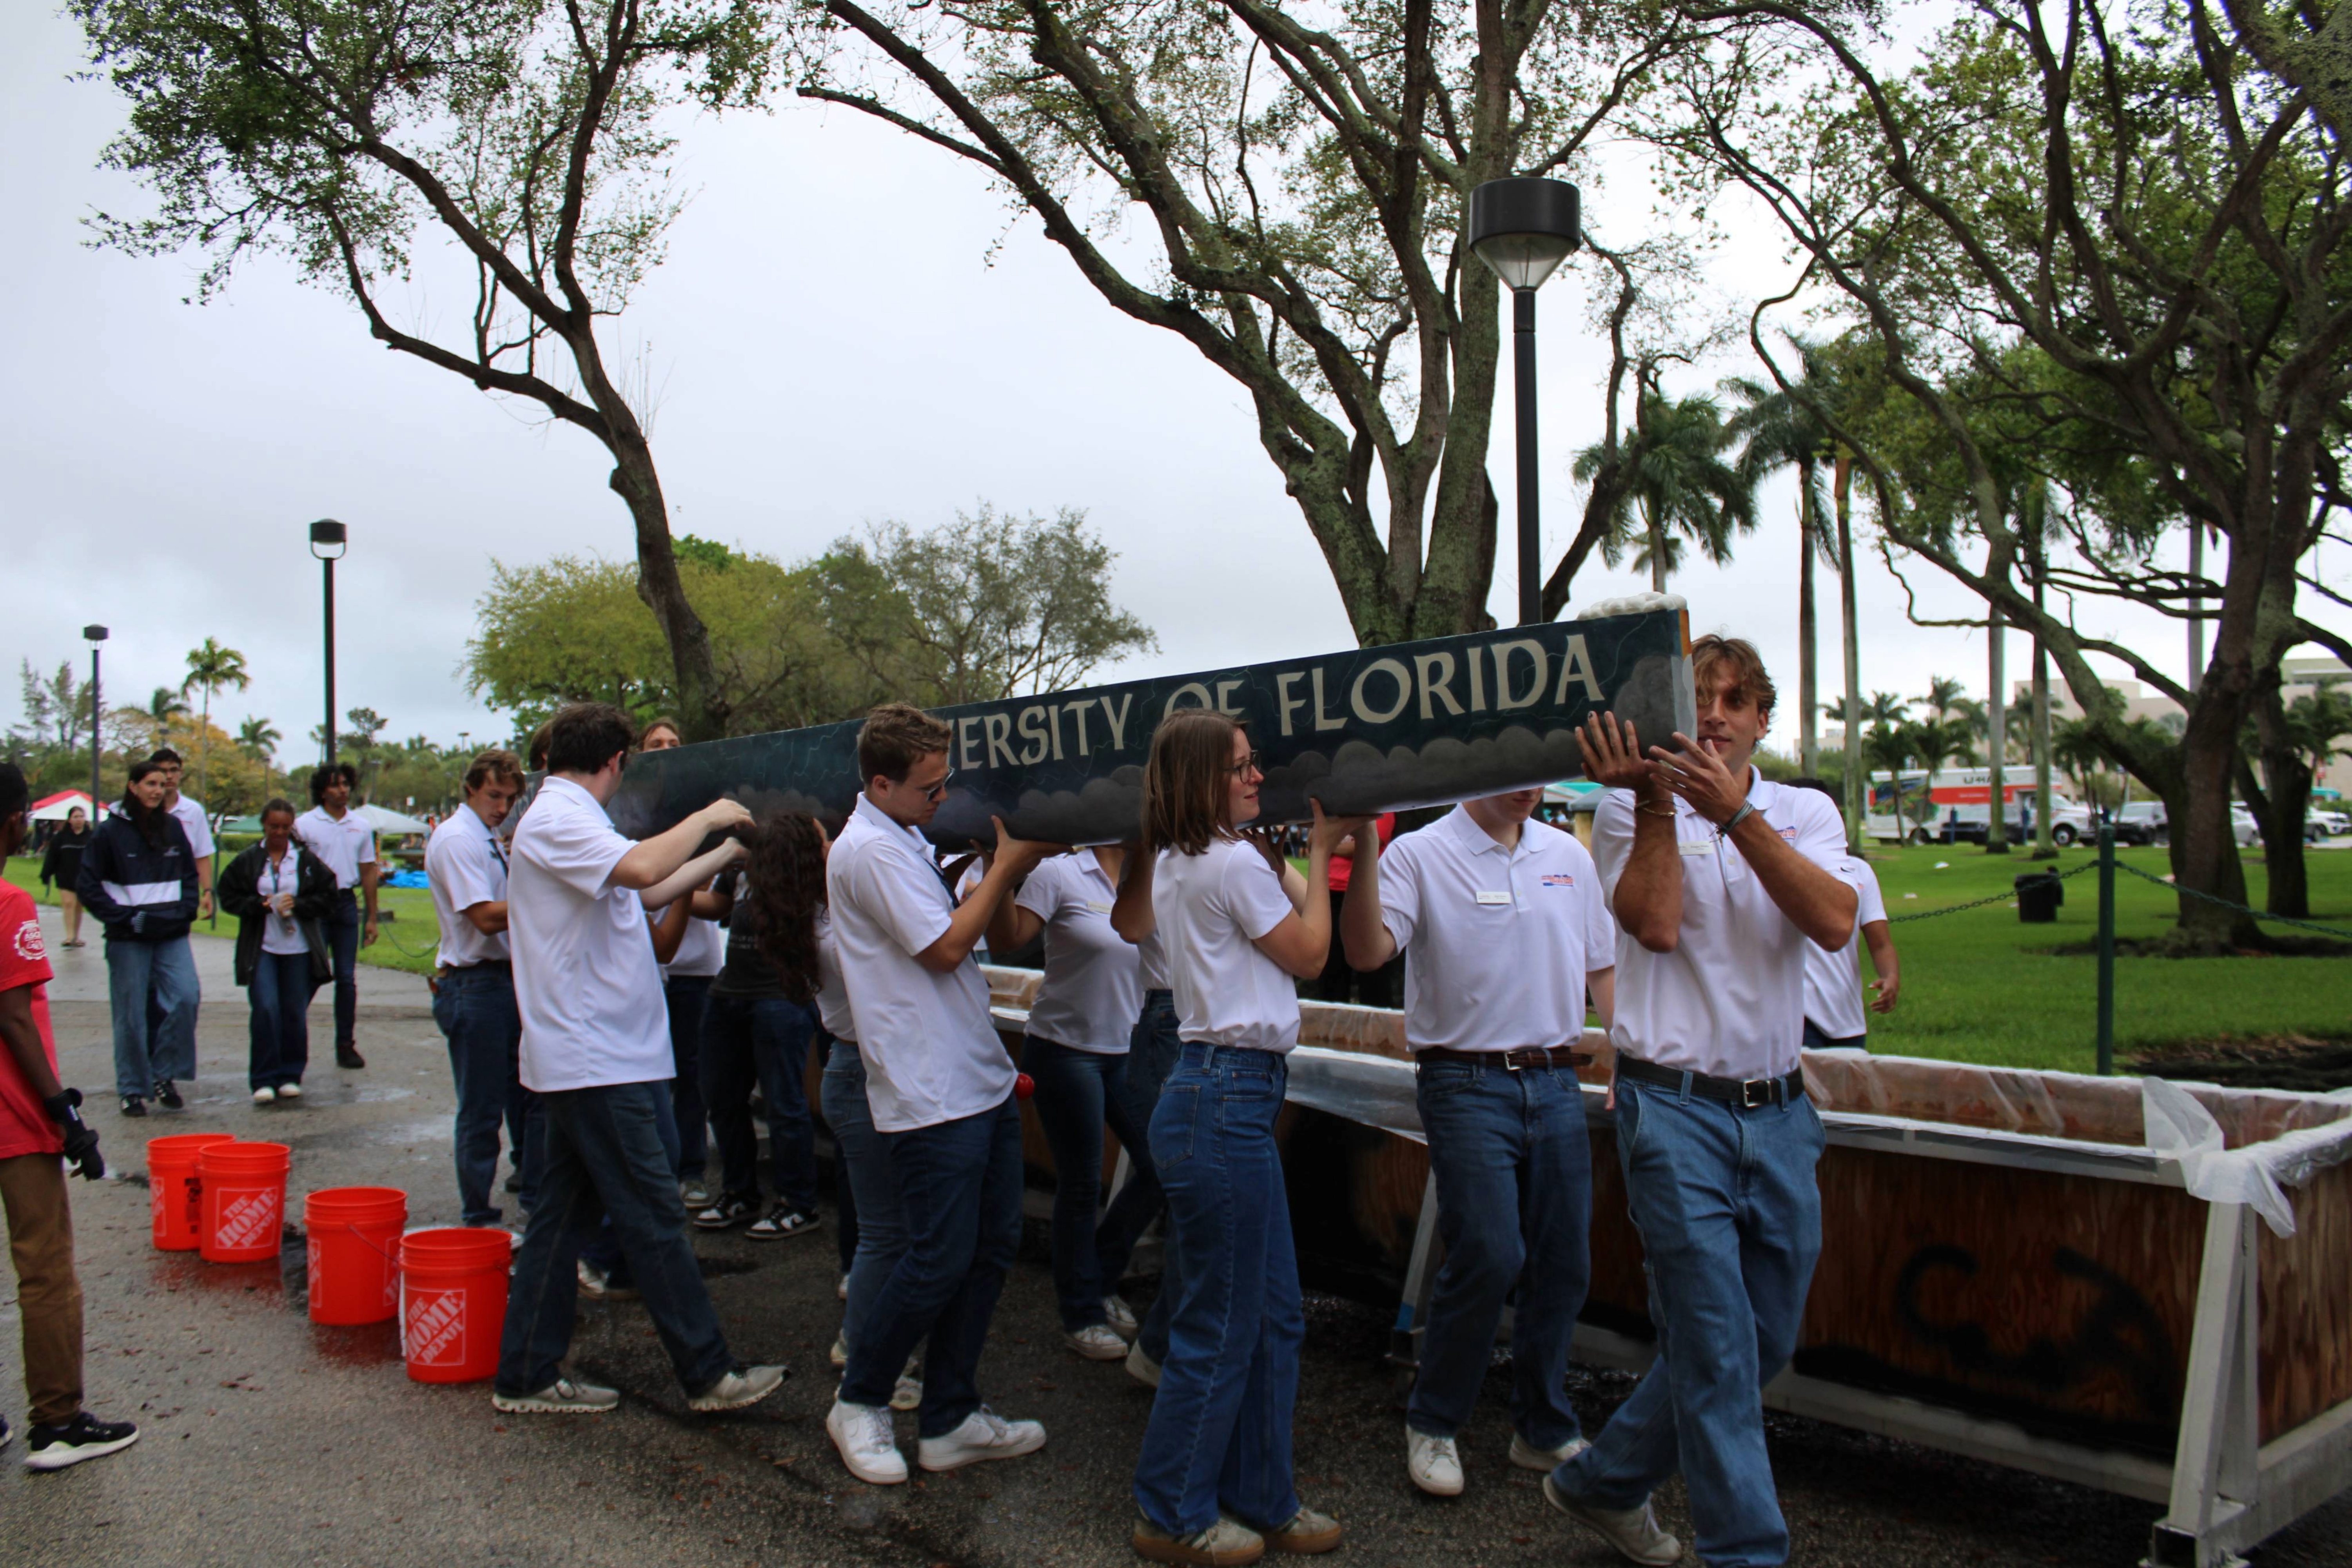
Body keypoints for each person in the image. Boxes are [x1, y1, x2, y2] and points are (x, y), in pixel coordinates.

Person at [1548, 637, 1858, 1568]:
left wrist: (1738, 817)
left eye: (1736, 699)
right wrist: (1656, 801)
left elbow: (1835, 921)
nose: (1716, 713)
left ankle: (1601, 1480)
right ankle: (1746, 1551)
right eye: (1701, 699)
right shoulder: (1622, 803)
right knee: (1718, 1349)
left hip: (1779, 1110)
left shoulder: (1804, 810)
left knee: (1762, 1342)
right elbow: (1653, 922)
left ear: (1765, 717)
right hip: (1672, 1109)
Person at [492, 702, 784, 1416]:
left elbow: (647, 888)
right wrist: (714, 813)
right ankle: (709, 1374)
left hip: (591, 1058)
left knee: (559, 1222)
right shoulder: (560, 818)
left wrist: (726, 857)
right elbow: (647, 862)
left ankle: (526, 1373)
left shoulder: (575, 819)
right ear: (617, 761)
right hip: (597, 1060)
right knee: (654, 1216)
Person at [1120, 709, 1356, 1566]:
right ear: (1199, 781)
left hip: (1218, 1096)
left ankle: (1263, 1492)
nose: (1258, 778)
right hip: (1227, 1097)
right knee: (1224, 1320)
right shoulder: (1225, 862)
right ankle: (1172, 1508)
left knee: (1271, 1315)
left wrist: (1297, 856)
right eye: (1242, 768)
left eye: (1255, 765)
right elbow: (1310, 954)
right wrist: (1327, 844)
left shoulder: (1195, 860)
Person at [1339, 787, 1618, 1498]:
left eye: (1538, 772)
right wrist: (1367, 845)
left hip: (1555, 1079)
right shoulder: (1421, 853)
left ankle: (1543, 1427)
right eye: (1510, 769)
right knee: (1491, 1251)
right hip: (1464, 1080)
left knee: (1563, 1261)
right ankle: (1433, 1420)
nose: (1527, 786)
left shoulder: (1566, 856)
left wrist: (1628, 1050)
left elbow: (1601, 966)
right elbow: (1368, 951)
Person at [822, 703, 1056, 1486]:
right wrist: (1009, 862)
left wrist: (997, 868)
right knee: (935, 1257)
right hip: (929, 1089)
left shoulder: (906, 837)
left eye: (943, 779)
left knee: (990, 1248)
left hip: (975, 1077)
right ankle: (860, 1398)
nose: (941, 795)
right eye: (928, 786)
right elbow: (948, 944)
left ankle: (951, 1415)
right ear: (879, 781)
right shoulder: (869, 852)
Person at [0, 762, 140, 1471]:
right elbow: (15, 1019)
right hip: (15, 1119)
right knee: (45, 1270)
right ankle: (56, 1421)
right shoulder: (10, 904)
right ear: (18, 820)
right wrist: (65, 1116)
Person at [987, 844, 1147, 1362]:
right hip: (1064, 1050)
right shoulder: (1060, 873)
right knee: (1080, 1185)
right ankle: (1080, 1314)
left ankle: (1099, 1277)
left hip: (1127, 1050)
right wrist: (1001, 872)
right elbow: (1010, 940)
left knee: (1163, 1165)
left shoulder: (1147, 873)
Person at [696, 812, 826, 1240]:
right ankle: (739, 1193)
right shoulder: (740, 866)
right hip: (729, 993)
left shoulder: (799, 860)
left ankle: (798, 1202)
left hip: (778, 998)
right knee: (723, 1099)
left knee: (784, 1105)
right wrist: (672, 886)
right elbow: (718, 905)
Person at [424, 750, 535, 1228]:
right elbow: (486, 917)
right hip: (475, 983)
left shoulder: (486, 836)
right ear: (471, 787)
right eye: (494, 795)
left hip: (501, 981)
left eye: (510, 798)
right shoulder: (457, 839)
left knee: (525, 1097)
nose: (502, 806)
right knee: (482, 1109)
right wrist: (545, 898)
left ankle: (526, 1190)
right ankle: (477, 1214)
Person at [76, 760, 200, 1118]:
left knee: (186, 998)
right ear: (133, 787)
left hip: (171, 934)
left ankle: (163, 1075)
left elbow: (189, 878)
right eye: (150, 783)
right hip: (129, 937)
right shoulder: (108, 833)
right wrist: (127, 919)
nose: (158, 790)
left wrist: (185, 912)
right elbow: (88, 886)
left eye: (163, 784)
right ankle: (132, 1088)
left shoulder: (174, 828)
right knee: (130, 1015)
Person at [638, 717, 721, 1208]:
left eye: (674, 743)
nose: (666, 750)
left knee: (691, 1077)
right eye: (655, 745)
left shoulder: (701, 816)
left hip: (694, 968)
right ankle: (653, 1173)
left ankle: (691, 1171)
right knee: (648, 1078)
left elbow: (716, 900)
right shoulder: (632, 815)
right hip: (648, 968)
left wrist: (677, 888)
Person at [1105, 867, 1182, 1389]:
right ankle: (1162, 1345)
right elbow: (1130, 926)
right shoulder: (1163, 852)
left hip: (1207, 1018)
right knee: (1177, 1182)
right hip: (1170, 1016)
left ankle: (1166, 1342)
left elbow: (1311, 950)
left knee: (1179, 1184)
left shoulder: (1240, 848)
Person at [217, 799, 338, 1104]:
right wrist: (259, 905)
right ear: (264, 825)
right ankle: (263, 1078)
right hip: (262, 947)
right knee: (266, 1008)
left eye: (285, 828)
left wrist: (299, 904)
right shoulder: (248, 860)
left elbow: (329, 894)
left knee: (294, 1012)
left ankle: (290, 1074)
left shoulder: (305, 861)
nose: (279, 833)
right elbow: (228, 895)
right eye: (274, 827)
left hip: (298, 948)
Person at [1791, 780, 1899, 1052]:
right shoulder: (1771, 871)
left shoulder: (1858, 871)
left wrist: (1890, 977)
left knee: (1847, 1095)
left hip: (1847, 1018)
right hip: (1797, 1018)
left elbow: (1881, 942)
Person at [293, 761, 378, 1070]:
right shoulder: (305, 825)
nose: (342, 791)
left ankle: (346, 1044)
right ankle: (290, 1034)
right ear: (322, 791)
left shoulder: (360, 826)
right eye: (334, 785)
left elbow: (368, 869)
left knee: (346, 978)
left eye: (345, 784)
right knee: (311, 973)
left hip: (345, 902)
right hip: (315, 904)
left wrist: (371, 916)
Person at [1311, 811, 1399, 1006]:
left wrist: (1326, 845)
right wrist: (1324, 844)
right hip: (1331, 891)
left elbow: (1367, 842)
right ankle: (1330, 1024)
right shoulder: (1334, 809)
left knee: (1373, 972)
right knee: (1332, 967)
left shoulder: (1384, 808)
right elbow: (1312, 840)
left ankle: (1378, 1027)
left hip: (1368, 896)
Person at [37, 806, 93, 949]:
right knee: (68, 904)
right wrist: (46, 874)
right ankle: (69, 936)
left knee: (79, 906)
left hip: (83, 877)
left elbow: (99, 857)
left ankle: (76, 935)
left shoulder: (91, 837)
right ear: (69, 820)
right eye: (76, 817)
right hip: (65, 876)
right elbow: (52, 858)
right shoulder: (60, 838)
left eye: (81, 816)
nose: (79, 820)